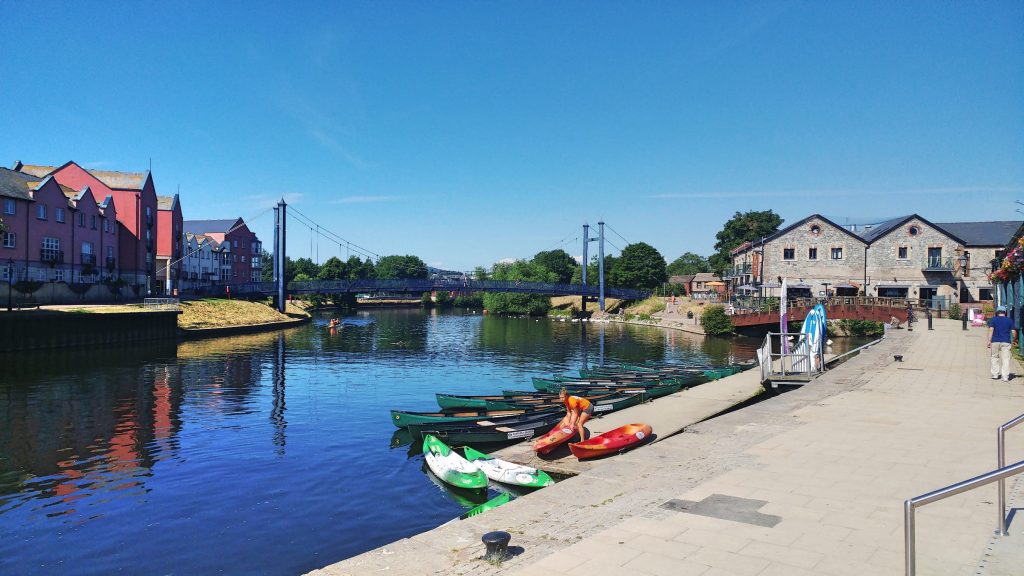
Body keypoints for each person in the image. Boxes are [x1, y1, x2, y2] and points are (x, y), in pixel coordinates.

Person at [987, 306, 1017, 382]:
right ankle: (1005, 376)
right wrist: (1014, 340)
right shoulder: (1009, 321)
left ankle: (995, 375)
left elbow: (991, 330)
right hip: (1006, 341)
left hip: (995, 341)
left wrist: (989, 341)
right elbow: (1013, 332)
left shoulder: (993, 320)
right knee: (1006, 359)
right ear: (1005, 312)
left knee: (994, 357)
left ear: (997, 312)